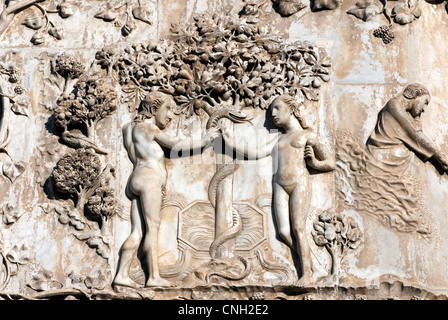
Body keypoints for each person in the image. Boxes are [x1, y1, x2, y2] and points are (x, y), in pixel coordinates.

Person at [222, 94, 335, 286]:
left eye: (277, 108)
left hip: (299, 182)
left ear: (291, 110)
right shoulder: (279, 139)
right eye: (271, 110)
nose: (273, 114)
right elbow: (256, 152)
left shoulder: (308, 136)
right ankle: (314, 265)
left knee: (298, 228)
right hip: (279, 184)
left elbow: (330, 163)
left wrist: (314, 162)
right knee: (283, 231)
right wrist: (230, 142)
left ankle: (306, 274)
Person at [113, 91, 219, 288]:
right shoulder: (149, 129)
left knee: (137, 231)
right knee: (153, 228)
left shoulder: (129, 128)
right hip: (149, 179)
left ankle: (121, 274)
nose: (170, 115)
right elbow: (176, 145)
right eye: (168, 109)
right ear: (154, 108)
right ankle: (153, 277)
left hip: (136, 178)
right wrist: (205, 140)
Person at [366, 83, 448, 175]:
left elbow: (417, 131)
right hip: (382, 159)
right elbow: (415, 134)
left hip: (396, 162)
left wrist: (416, 117)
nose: (424, 109)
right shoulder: (394, 105)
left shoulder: (406, 113)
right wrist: (440, 158)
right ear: (415, 93)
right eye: (425, 102)